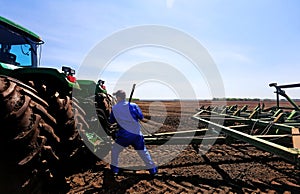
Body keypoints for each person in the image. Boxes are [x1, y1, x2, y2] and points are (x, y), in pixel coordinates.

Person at [109, 90, 158, 176]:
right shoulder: (133, 105)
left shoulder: (115, 108)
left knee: (115, 150)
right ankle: (153, 171)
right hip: (136, 134)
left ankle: (115, 170)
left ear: (119, 97)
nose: (116, 98)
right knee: (143, 152)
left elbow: (112, 121)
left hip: (124, 136)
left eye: (117, 97)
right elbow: (141, 117)